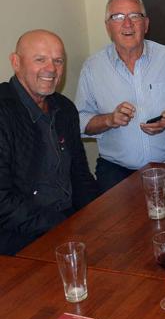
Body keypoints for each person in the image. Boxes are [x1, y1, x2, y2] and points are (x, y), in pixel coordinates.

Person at [75, 0, 165, 192]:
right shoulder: (93, 68)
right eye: (118, 17)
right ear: (108, 27)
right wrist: (109, 120)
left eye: (135, 16)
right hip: (116, 170)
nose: (127, 24)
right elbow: (80, 120)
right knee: (116, 224)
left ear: (146, 24)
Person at [0, 30, 98, 255]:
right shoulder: (3, 111)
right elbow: (2, 203)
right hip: (18, 238)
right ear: (16, 62)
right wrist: (61, 227)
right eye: (40, 59)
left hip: (67, 224)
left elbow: (80, 175)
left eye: (58, 61)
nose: (51, 69)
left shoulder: (64, 108)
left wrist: (99, 217)